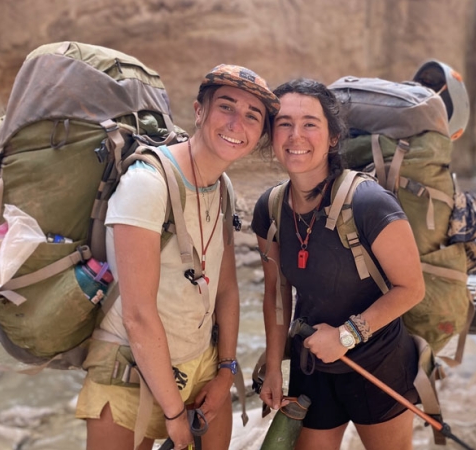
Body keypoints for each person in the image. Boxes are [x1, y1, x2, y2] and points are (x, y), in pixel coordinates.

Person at [75, 64, 280, 450]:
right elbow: (137, 315)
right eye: (226, 107)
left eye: (253, 116)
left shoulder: (223, 187)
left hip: (200, 364)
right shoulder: (147, 183)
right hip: (129, 369)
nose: (238, 123)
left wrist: (224, 370)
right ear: (199, 111)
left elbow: (227, 290)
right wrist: (173, 413)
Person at [252, 79, 426, 450]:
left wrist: (346, 335)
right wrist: (272, 367)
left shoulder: (369, 203)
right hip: (312, 367)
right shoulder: (269, 208)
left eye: (310, 123)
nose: (295, 135)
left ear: (333, 137)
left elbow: (411, 288)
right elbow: (276, 293)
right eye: (284, 123)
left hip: (377, 365)